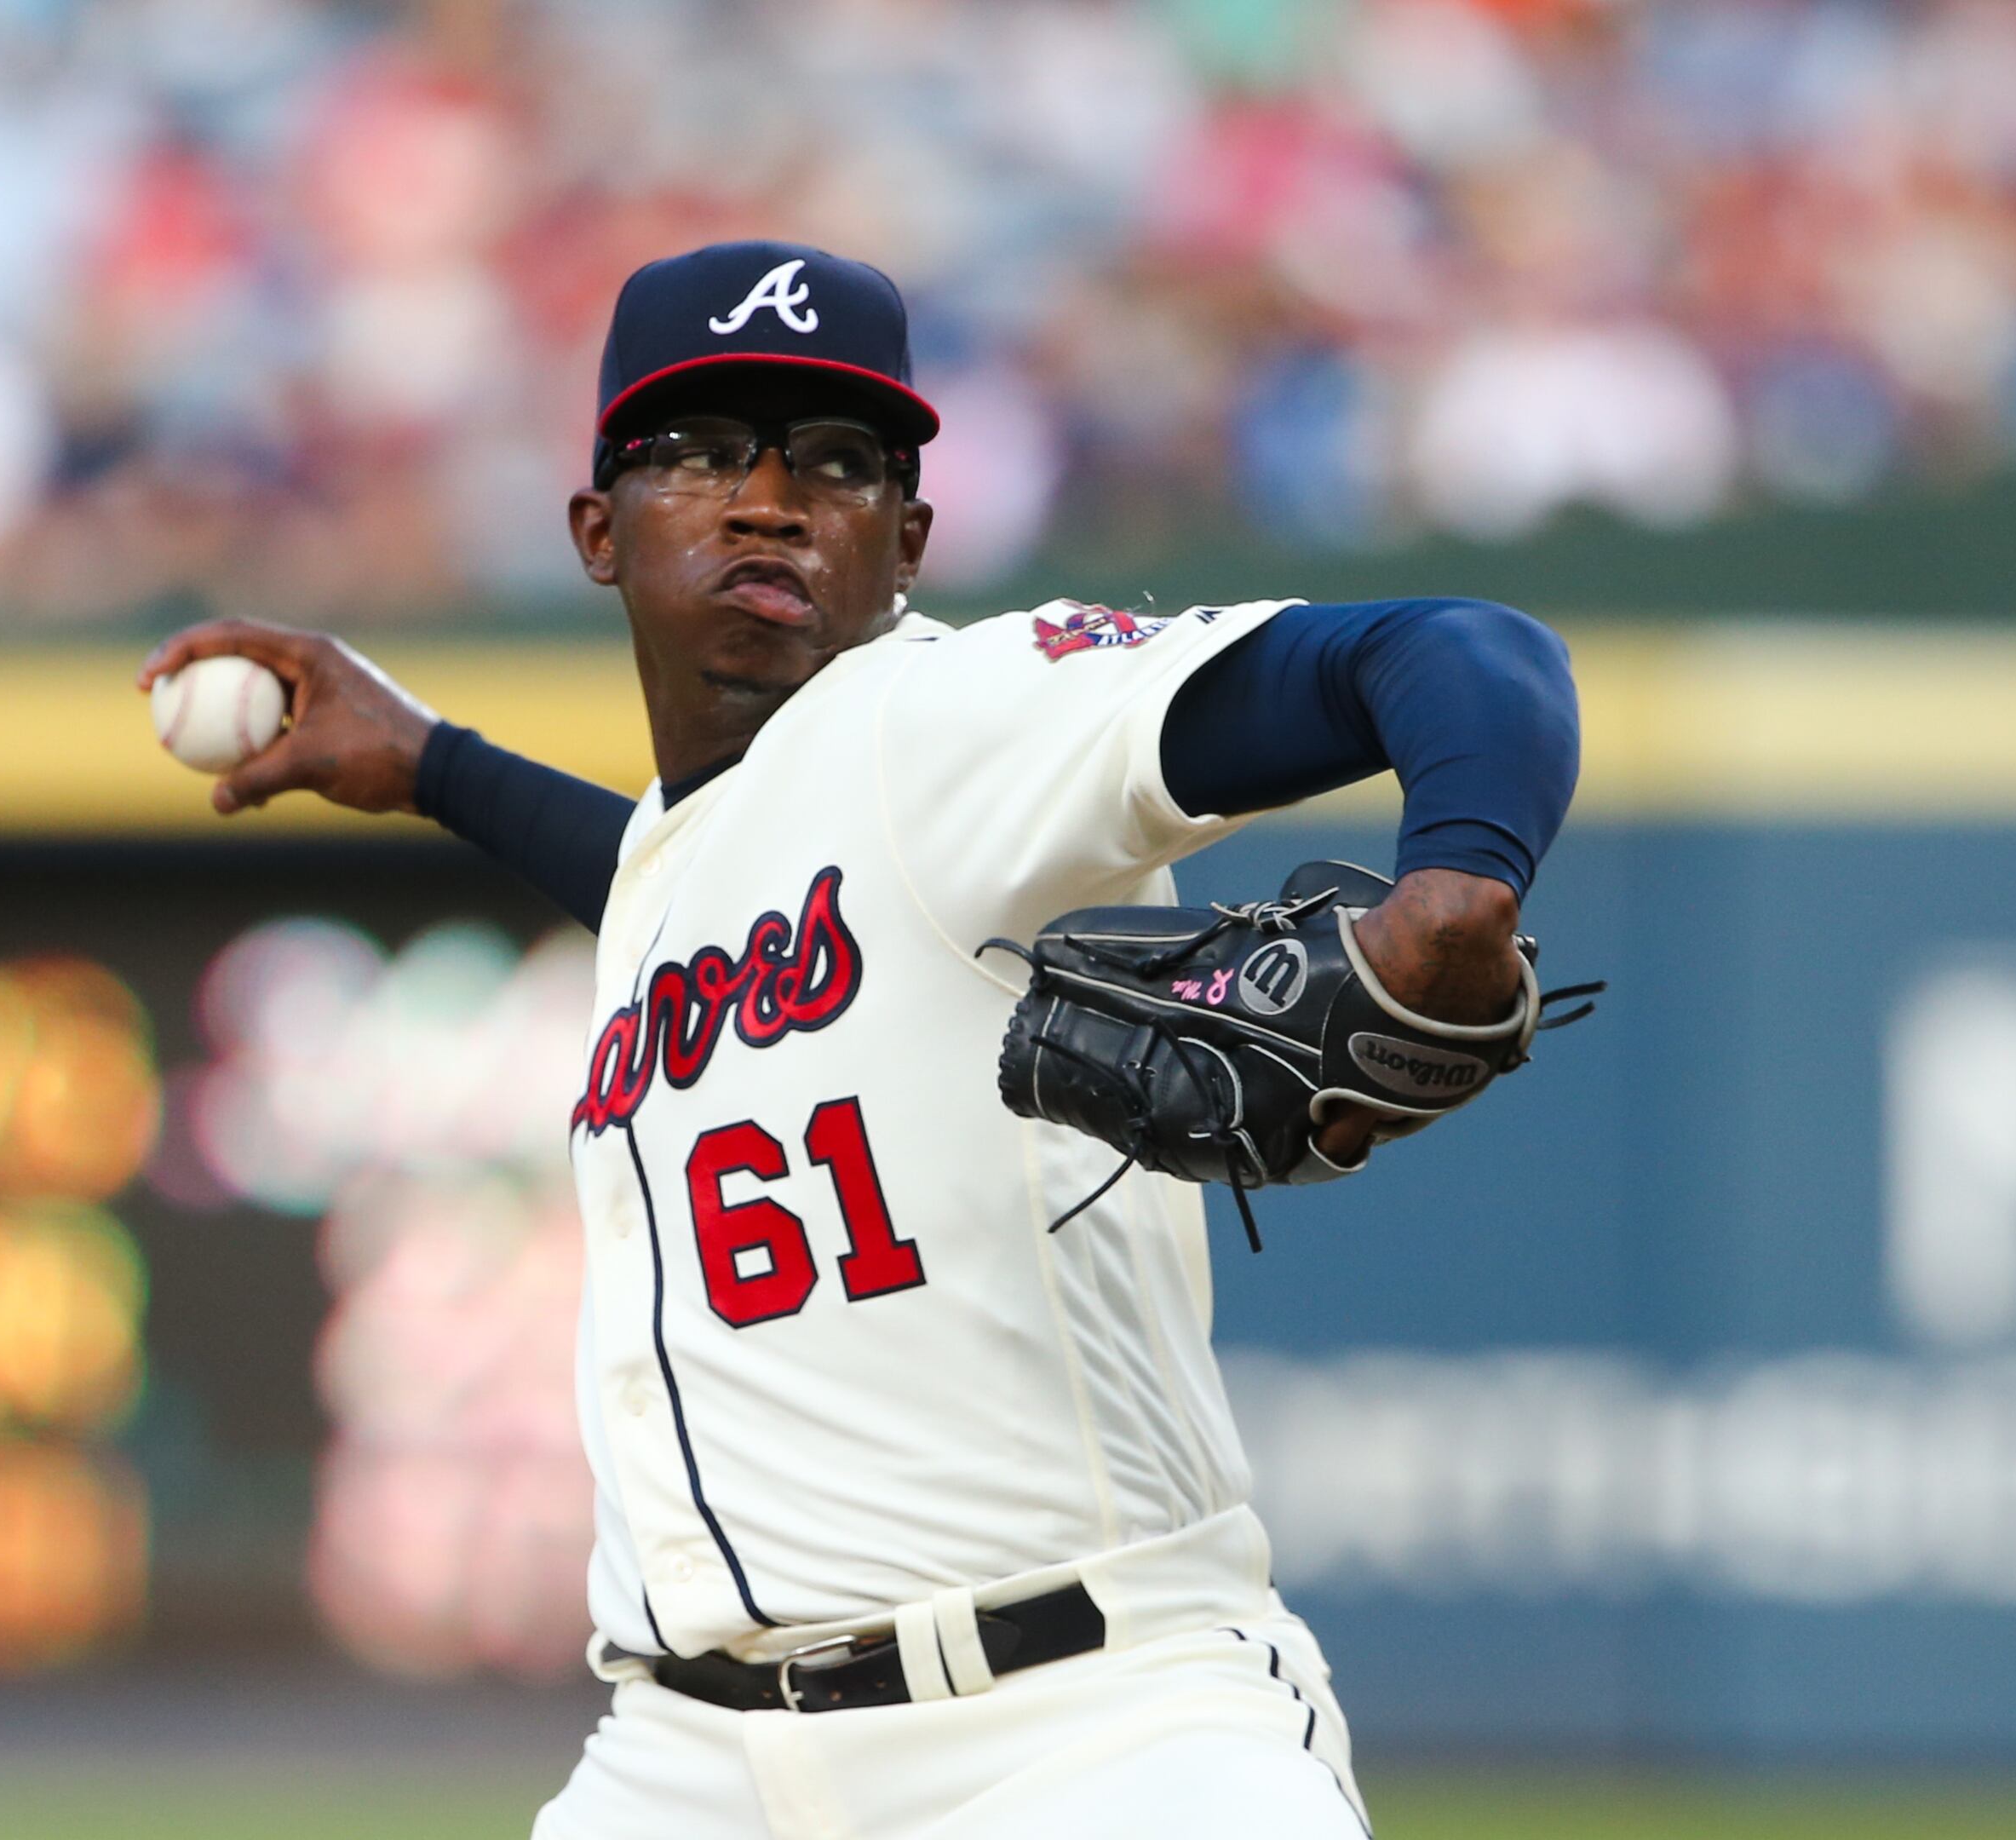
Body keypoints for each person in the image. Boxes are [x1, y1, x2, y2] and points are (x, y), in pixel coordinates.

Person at [136, 241, 1580, 1838]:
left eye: (834, 462)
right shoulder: (703, 858)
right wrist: (433, 766)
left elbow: (1469, 655)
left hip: (1087, 1733)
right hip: (689, 1761)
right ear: (599, 530)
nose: (766, 500)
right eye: (700, 452)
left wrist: (1455, 891)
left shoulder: (950, 717)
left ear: (908, 538)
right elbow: (670, 878)